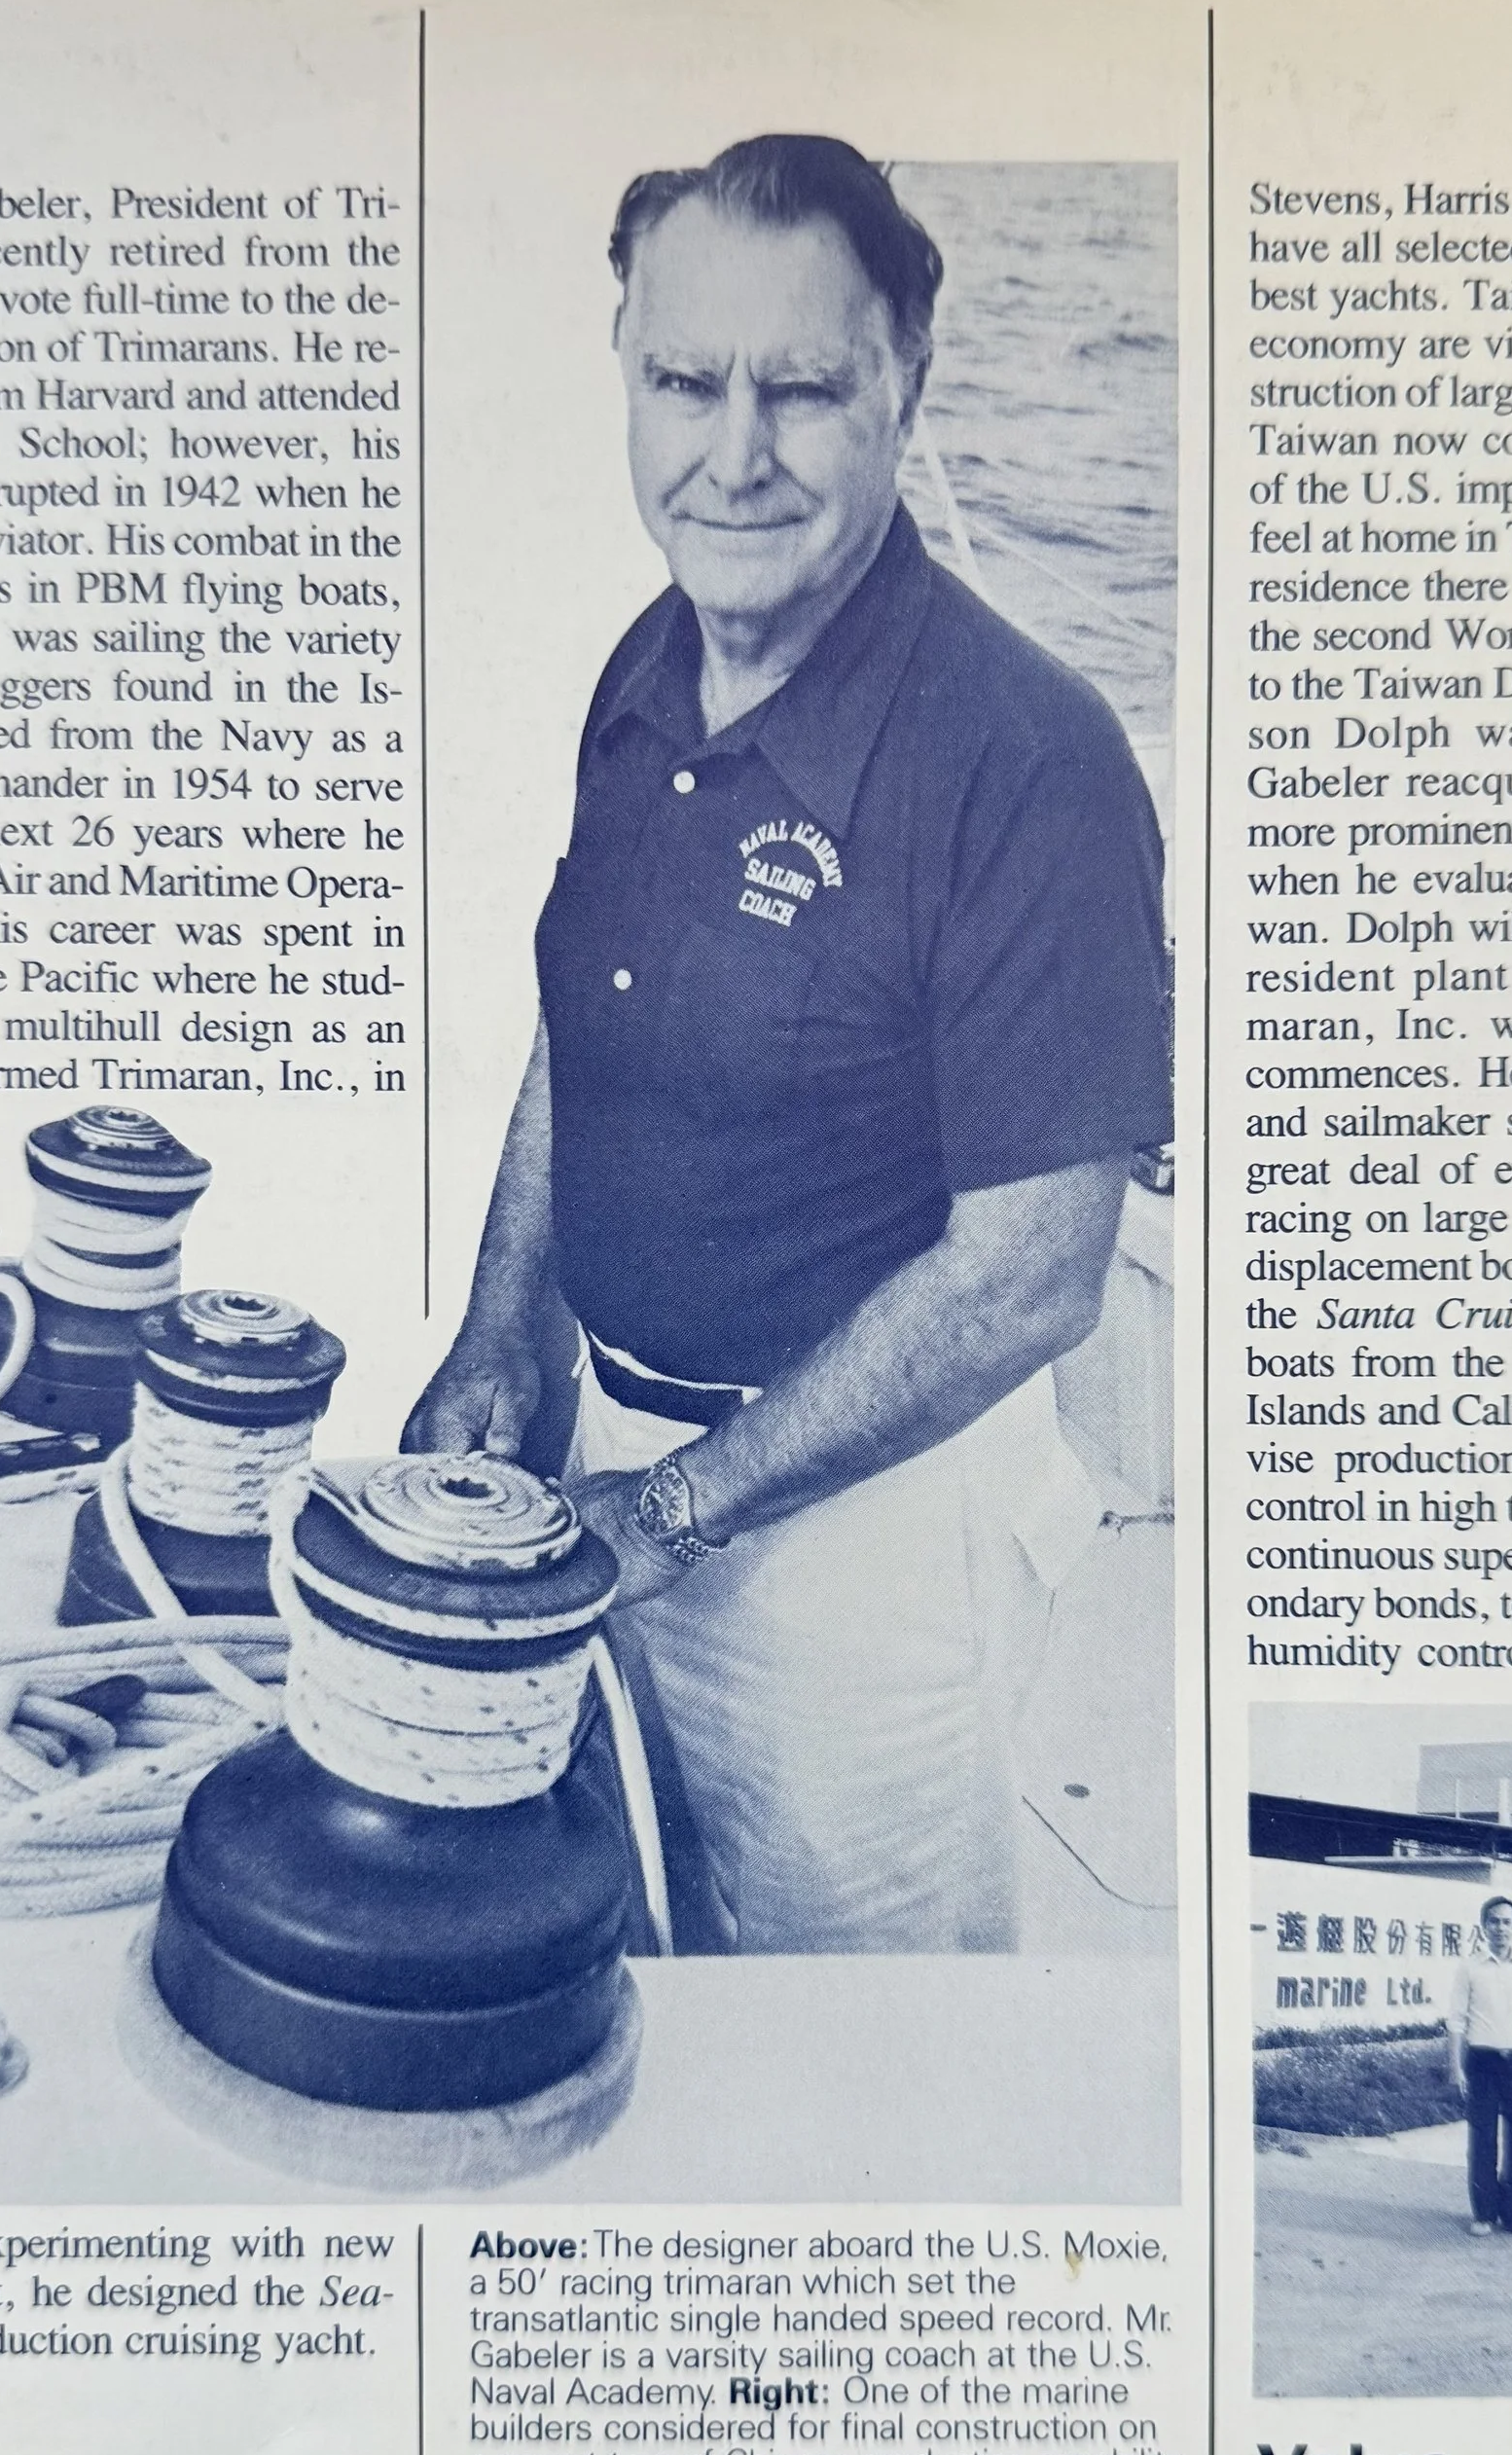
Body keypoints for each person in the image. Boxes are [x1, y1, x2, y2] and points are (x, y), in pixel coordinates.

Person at [407, 134, 1170, 1955]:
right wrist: (504, 1326)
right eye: (684, 381)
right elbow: (583, 1020)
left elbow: (1030, 1283)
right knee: (626, 1962)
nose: (731, 454)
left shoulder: (1033, 765)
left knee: (861, 2076)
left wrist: (670, 1511)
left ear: (909, 377)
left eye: (801, 390)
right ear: (623, 362)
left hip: (856, 1560)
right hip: (607, 1481)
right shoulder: (645, 669)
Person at [1445, 1894, 1512, 2235]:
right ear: (1484, 1926)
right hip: (1482, 2062)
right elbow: (1456, 2021)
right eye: (1494, 1921)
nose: (1500, 1928)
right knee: (1483, 2137)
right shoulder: (1470, 1968)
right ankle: (1484, 2214)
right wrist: (1456, 2067)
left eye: (1507, 1922)